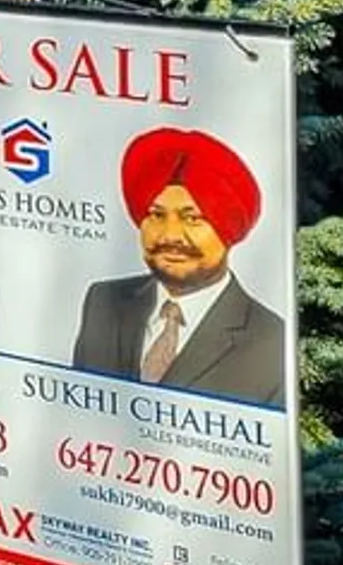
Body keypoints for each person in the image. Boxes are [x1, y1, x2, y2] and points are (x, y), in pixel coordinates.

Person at [72, 127, 287, 406]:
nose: (170, 235)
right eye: (156, 215)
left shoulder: (270, 341)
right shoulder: (104, 300)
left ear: (229, 229)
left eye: (193, 218)